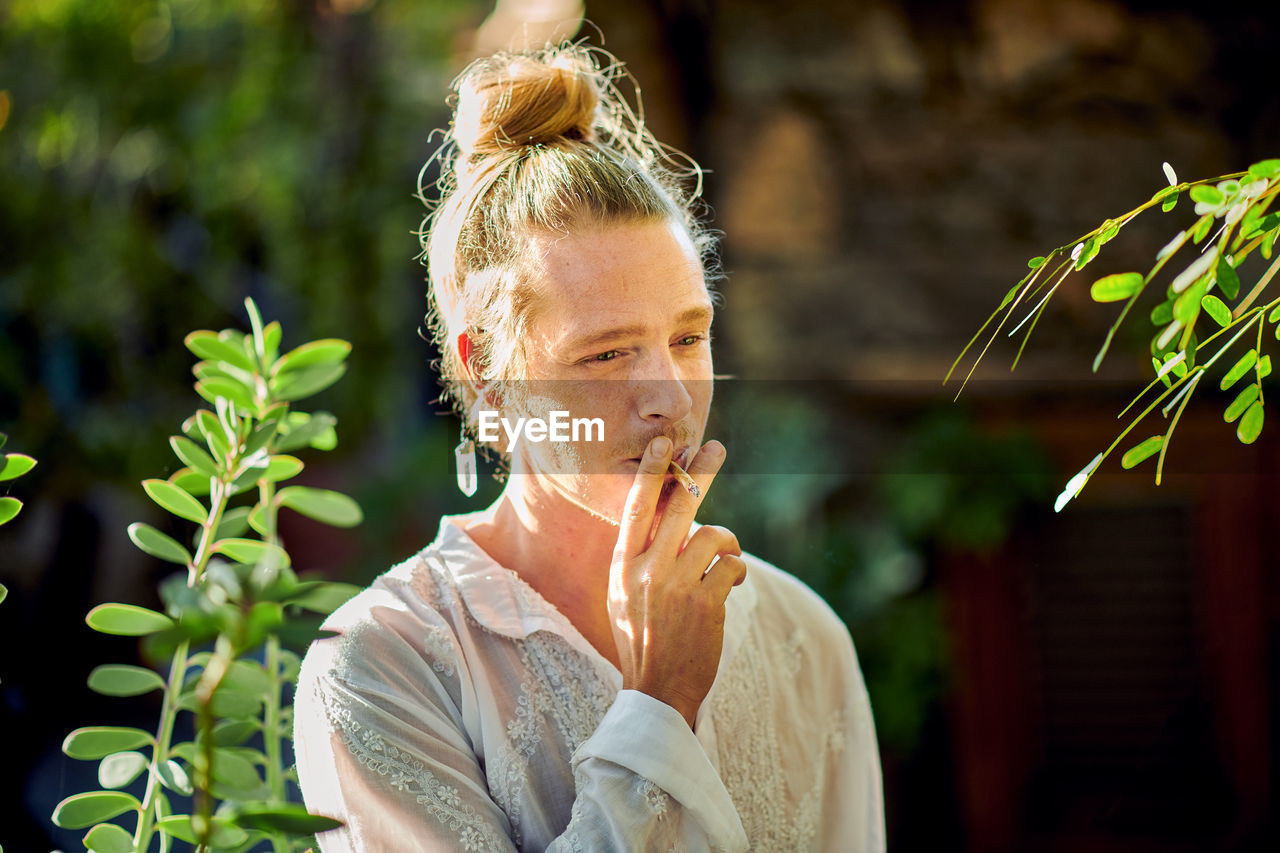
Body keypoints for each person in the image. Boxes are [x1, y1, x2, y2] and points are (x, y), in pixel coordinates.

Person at [293, 41, 886, 852]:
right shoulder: (381, 664)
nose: (671, 400)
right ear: (489, 373)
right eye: (606, 354)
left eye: (688, 337)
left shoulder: (803, 636)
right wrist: (657, 705)